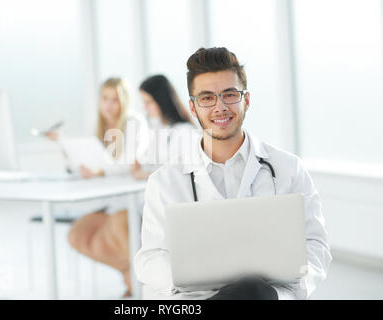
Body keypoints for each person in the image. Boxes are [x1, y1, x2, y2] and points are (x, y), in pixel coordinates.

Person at [134, 47, 332, 300]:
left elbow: (316, 245)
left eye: (229, 94)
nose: (220, 107)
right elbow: (150, 257)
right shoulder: (164, 181)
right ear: (193, 108)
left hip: (268, 295)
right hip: (196, 298)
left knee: (254, 291)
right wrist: (190, 275)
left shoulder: (288, 169)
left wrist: (286, 293)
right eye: (206, 98)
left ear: (246, 100)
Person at [64, 75, 194, 297]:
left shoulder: (184, 132)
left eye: (148, 102)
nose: (145, 108)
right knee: (79, 233)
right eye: (143, 102)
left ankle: (146, 285)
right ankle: (131, 275)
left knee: (117, 225)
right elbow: (147, 161)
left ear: (162, 100)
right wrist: (139, 167)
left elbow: (178, 173)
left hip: (155, 206)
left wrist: (143, 171)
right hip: (122, 200)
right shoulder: (156, 130)